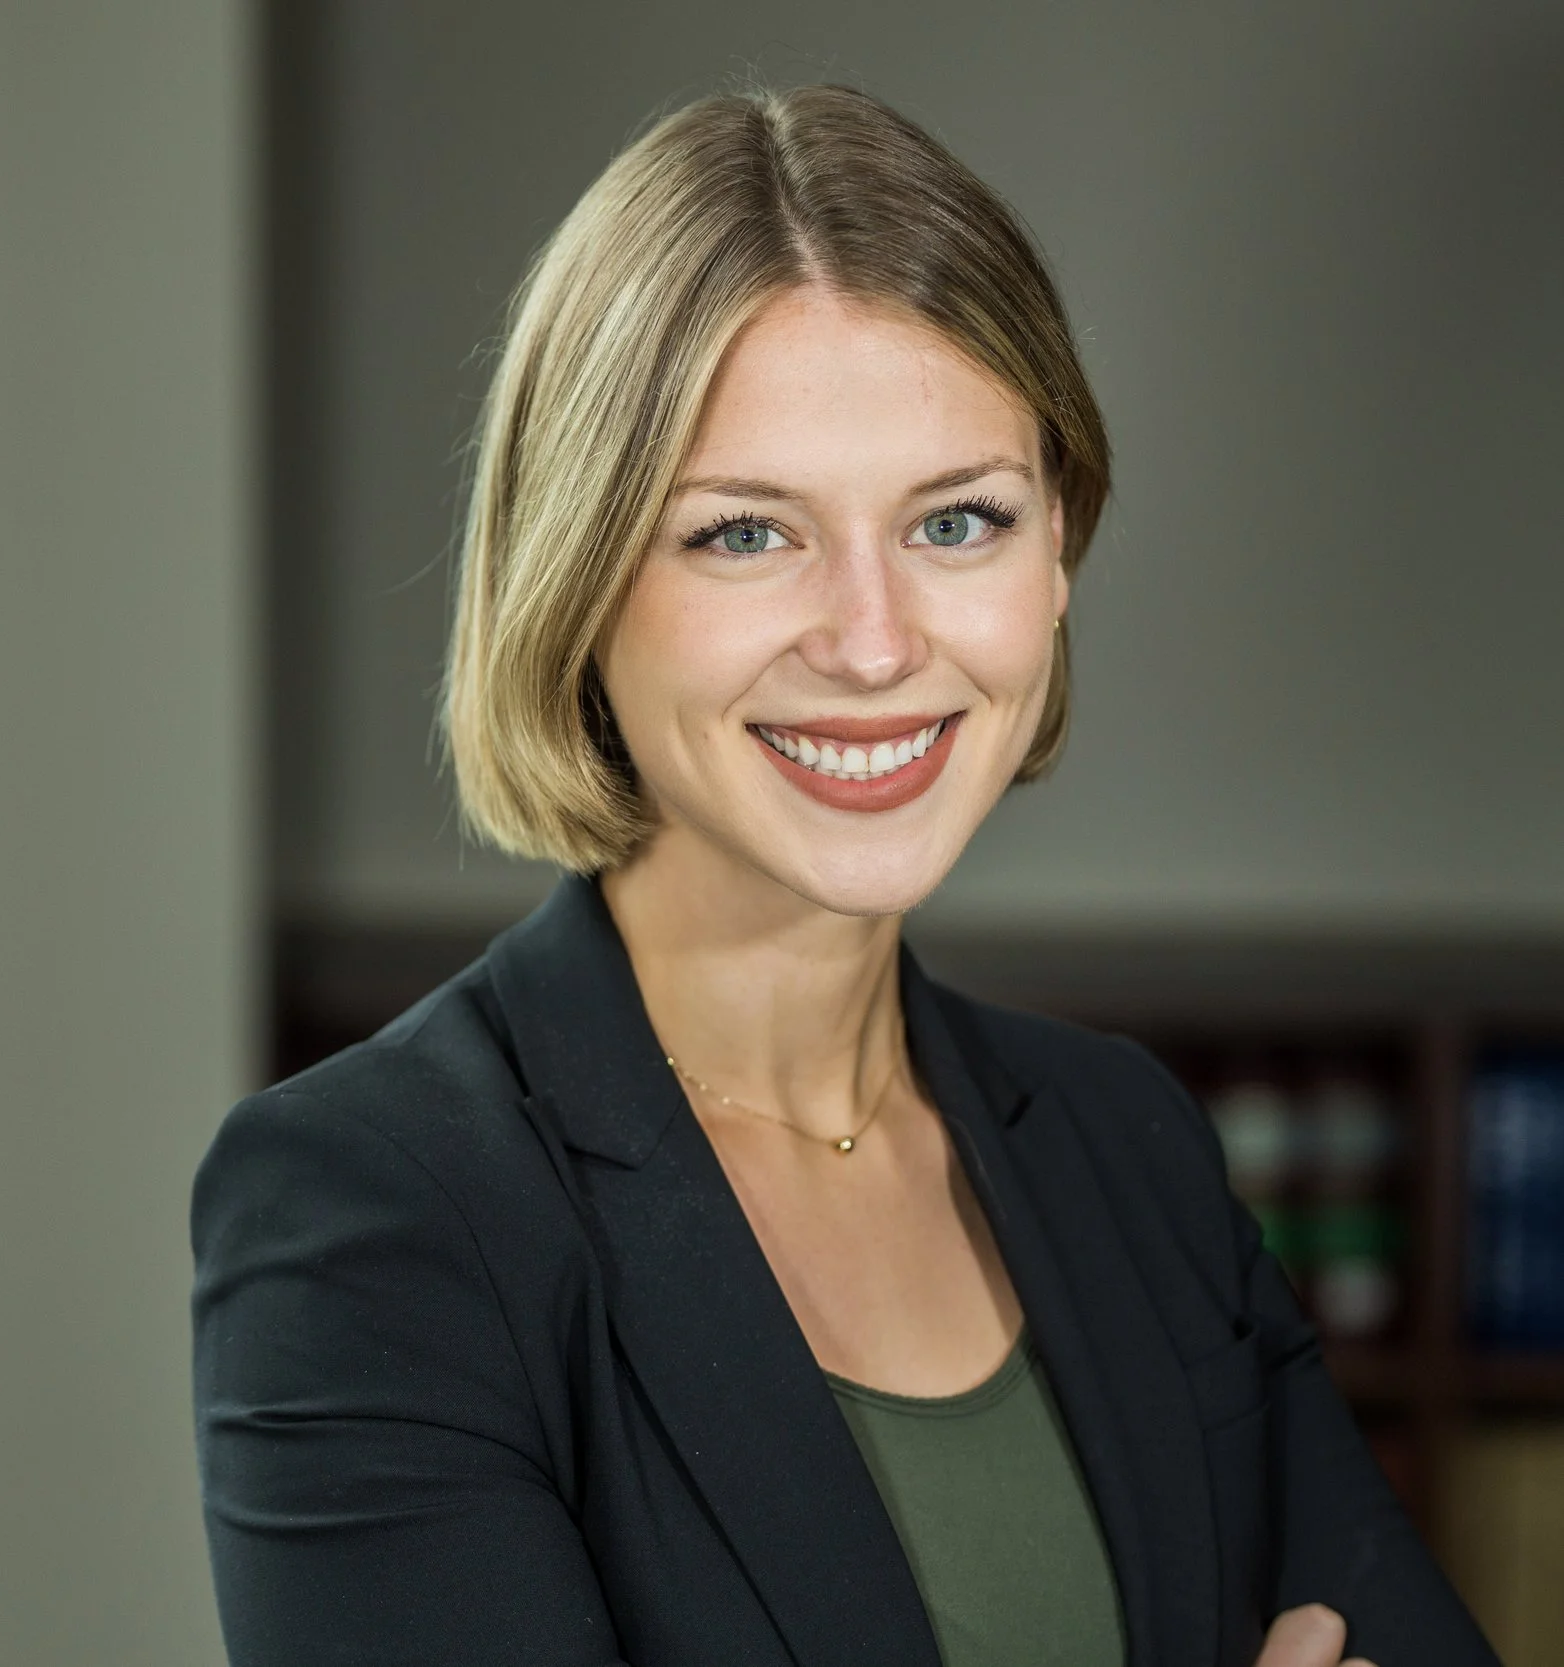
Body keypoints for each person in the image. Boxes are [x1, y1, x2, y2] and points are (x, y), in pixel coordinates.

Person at [189, 84, 1496, 1667]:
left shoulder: (1126, 1145)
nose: (875, 641)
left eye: (958, 519)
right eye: (746, 536)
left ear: (1057, 552)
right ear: (579, 574)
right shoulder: (377, 1213)